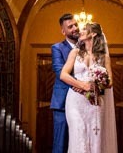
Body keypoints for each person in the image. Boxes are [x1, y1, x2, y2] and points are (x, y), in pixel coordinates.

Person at [60, 22, 117, 153]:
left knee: (95, 137)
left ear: (94, 34)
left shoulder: (104, 57)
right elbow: (63, 75)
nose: (80, 31)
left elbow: (110, 82)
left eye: (85, 29)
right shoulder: (75, 52)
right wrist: (82, 85)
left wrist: (96, 83)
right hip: (75, 101)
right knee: (78, 133)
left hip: (94, 102)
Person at [51, 13, 80, 153]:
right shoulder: (57, 48)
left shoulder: (86, 47)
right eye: (70, 27)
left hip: (83, 102)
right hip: (62, 102)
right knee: (61, 143)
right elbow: (59, 71)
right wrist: (81, 85)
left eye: (75, 25)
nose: (75, 28)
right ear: (63, 31)